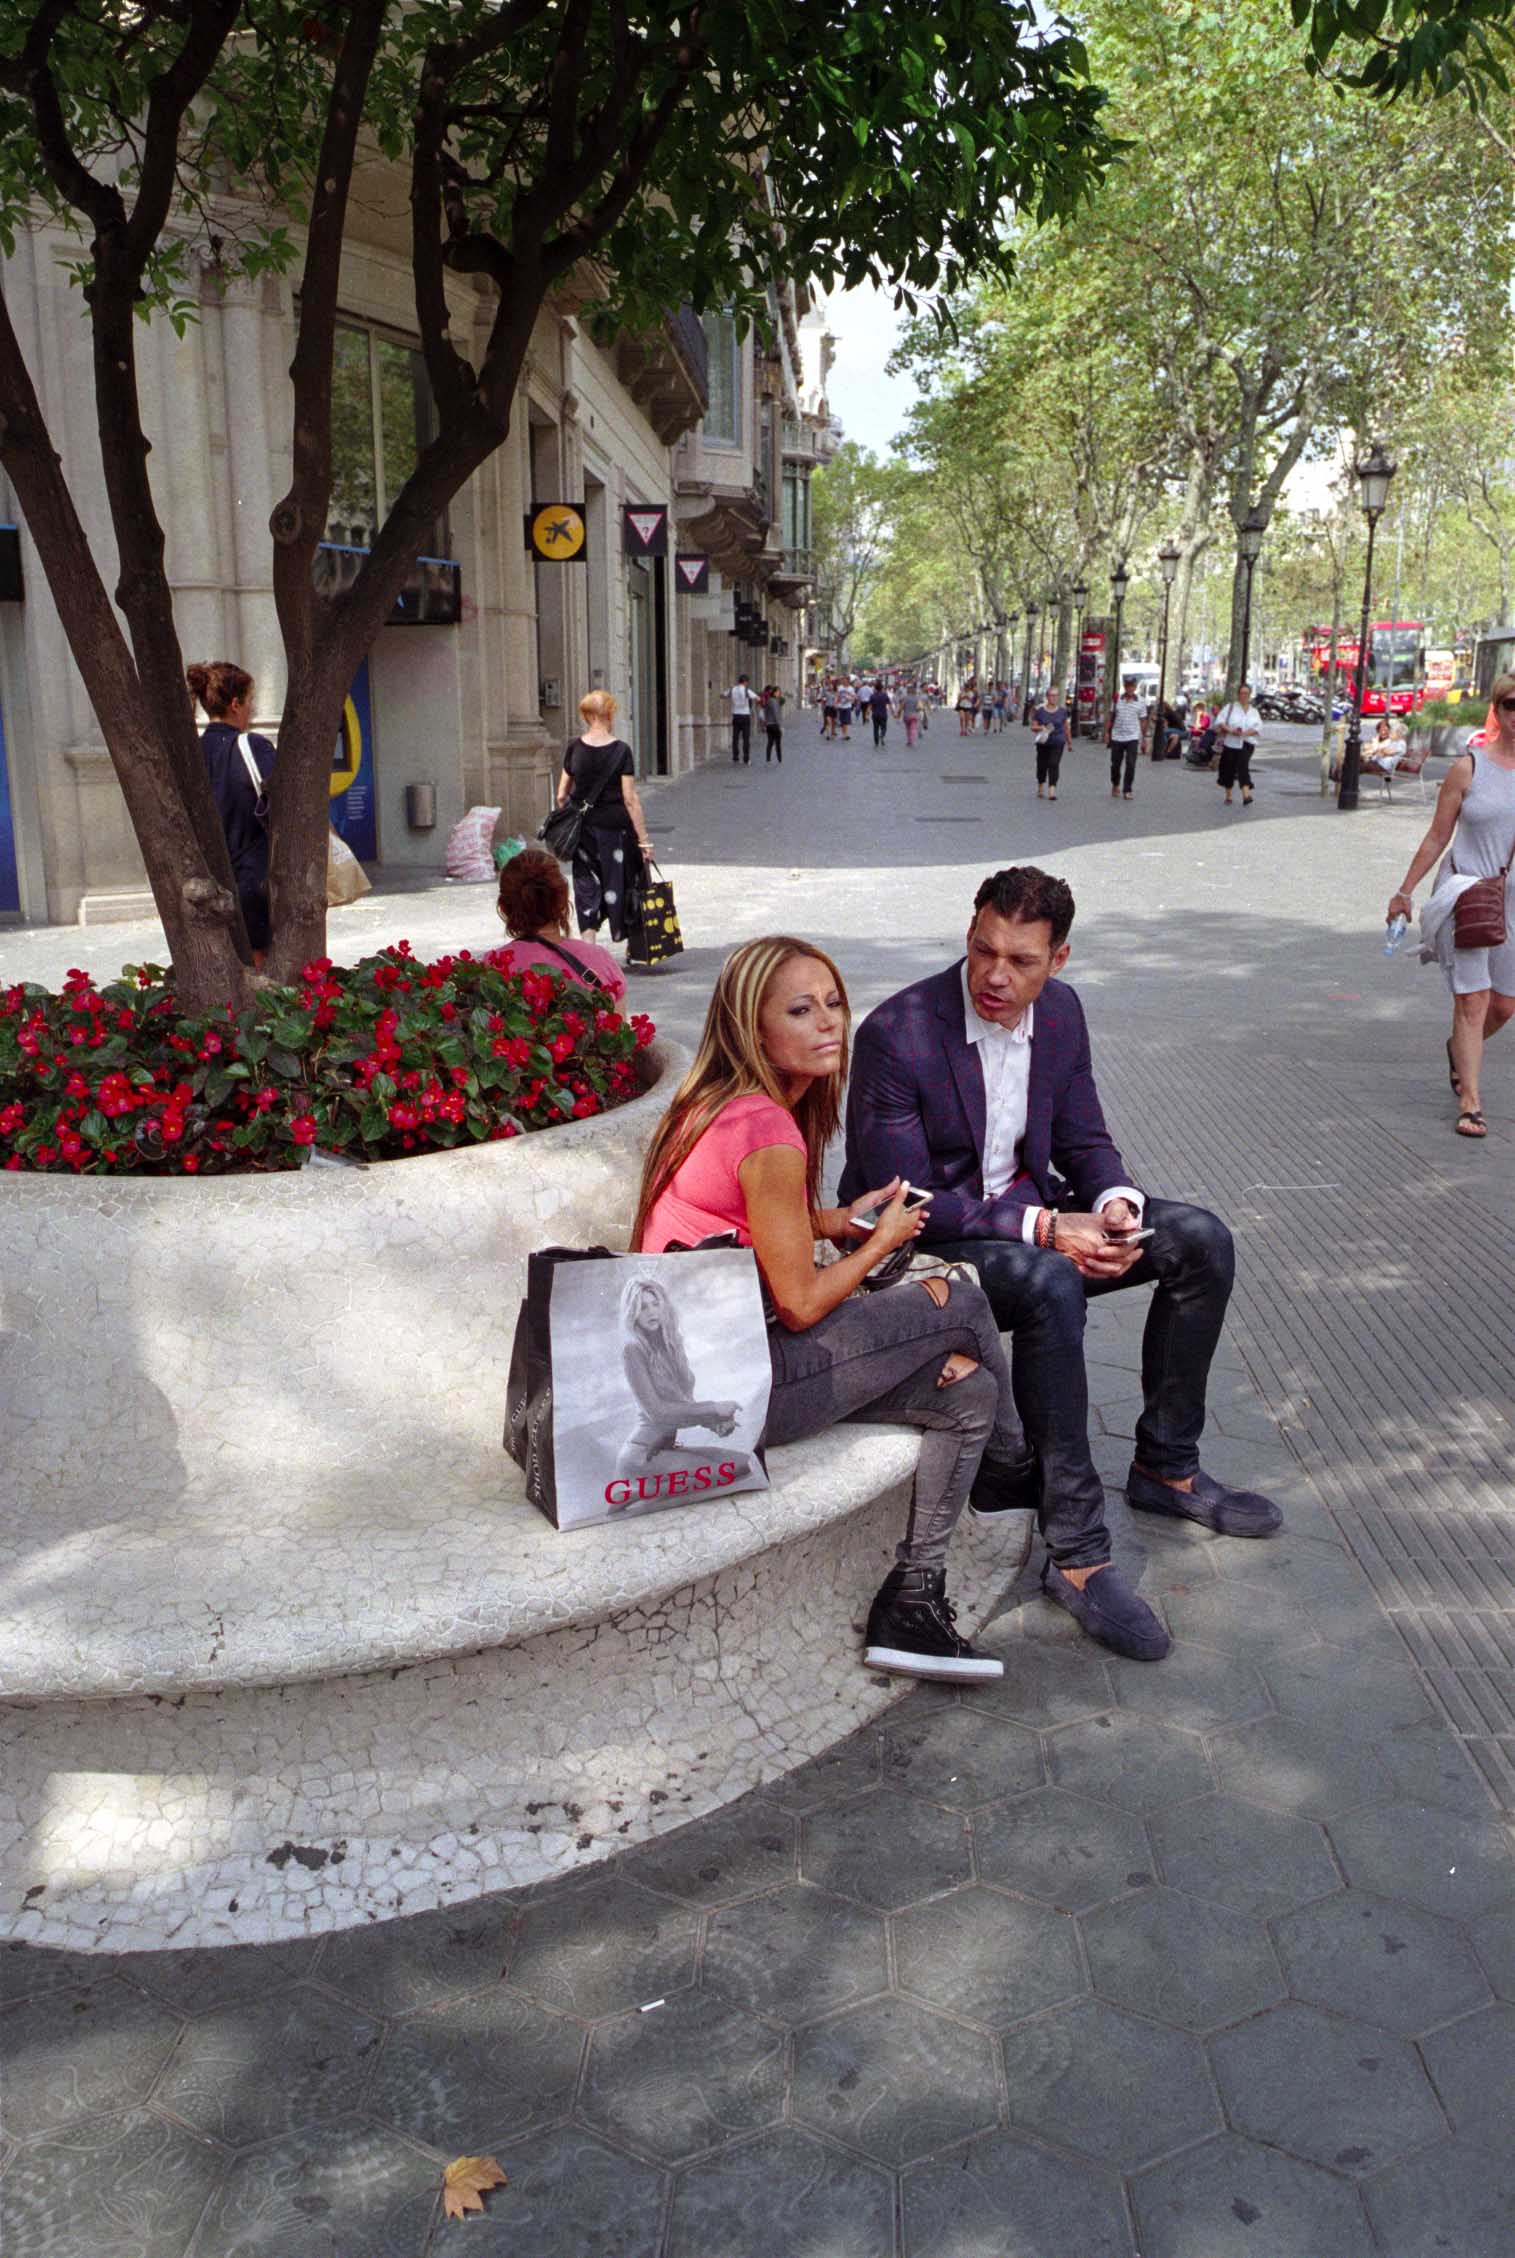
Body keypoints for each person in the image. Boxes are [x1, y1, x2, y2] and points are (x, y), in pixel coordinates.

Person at [840, 864, 1283, 1664]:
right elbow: (904, 1204)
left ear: (1060, 959)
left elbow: (1083, 1137)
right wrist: (1046, 1228)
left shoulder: (1064, 1015)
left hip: (1031, 1228)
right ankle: (1078, 1554)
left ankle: (1166, 1467)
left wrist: (1113, 1203)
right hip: (920, 1253)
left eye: (1021, 960)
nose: (995, 976)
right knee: (1048, 1282)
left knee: (1200, 1240)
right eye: (982, 951)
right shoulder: (897, 1033)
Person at [635, 935, 1037, 1681]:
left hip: (722, 1362)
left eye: (832, 1002)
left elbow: (748, 1222)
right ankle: (1014, 1468)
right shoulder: (765, 1130)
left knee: (968, 1388)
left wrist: (835, 1220)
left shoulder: (718, 1102)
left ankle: (912, 1604)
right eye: (799, 1009)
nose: (828, 1023)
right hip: (735, 1387)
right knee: (958, 1302)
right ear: (753, 1030)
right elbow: (799, 1304)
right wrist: (879, 1238)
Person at [1387, 671, 1515, 1141]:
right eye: (1511, 705)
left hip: (1511, 896)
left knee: (1503, 1005)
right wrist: (1404, 891)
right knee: (1473, 998)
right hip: (1467, 892)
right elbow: (1438, 836)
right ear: (1497, 711)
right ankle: (1471, 1101)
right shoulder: (1470, 768)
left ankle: (1459, 1051)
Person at [612, 1275, 745, 1494]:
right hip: (641, 1456)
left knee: (743, 1462)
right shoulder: (633, 1350)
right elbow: (658, 1412)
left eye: (655, 1304)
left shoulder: (671, 1345)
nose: (652, 1312)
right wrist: (713, 1407)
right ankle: (634, 1491)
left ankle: (649, 1489)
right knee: (732, 1469)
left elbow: (684, 1404)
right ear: (633, 1314)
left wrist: (714, 1422)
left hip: (666, 1451)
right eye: (642, 1307)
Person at [186, 660, 276, 959]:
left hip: (205, 889)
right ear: (235, 704)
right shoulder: (253, 747)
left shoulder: (190, 754)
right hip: (254, 884)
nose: (252, 710)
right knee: (261, 984)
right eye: (250, 702)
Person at [554, 690, 654, 946]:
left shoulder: (574, 748)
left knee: (586, 882)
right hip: (616, 830)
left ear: (586, 715)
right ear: (610, 714)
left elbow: (561, 795)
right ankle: (629, 937)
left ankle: (589, 943)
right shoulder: (621, 751)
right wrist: (644, 840)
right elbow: (630, 799)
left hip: (585, 830)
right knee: (621, 880)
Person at [488, 846, 627, 1001]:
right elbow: (618, 1023)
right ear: (562, 899)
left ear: (504, 907)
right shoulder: (600, 960)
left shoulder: (491, 970)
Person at [1213, 683, 1261, 806]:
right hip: (1231, 743)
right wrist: (1231, 730)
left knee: (1243, 766)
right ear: (1238, 694)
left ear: (1250, 695)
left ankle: (1246, 795)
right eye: (1241, 693)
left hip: (1247, 743)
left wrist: (1245, 733)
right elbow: (1220, 721)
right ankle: (1228, 794)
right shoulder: (1231, 707)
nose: (1243, 695)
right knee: (1229, 769)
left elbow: (1258, 728)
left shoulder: (1254, 711)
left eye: (1246, 693)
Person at [1107, 674, 1148, 800]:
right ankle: (1115, 784)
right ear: (1124, 687)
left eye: (1132, 686)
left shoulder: (1140, 701)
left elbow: (1143, 720)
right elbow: (1111, 717)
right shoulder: (1117, 700)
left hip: (1132, 736)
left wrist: (1144, 738)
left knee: (1131, 764)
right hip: (1117, 736)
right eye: (1127, 686)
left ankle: (1127, 789)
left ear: (1135, 687)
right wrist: (1106, 733)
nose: (1130, 688)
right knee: (1115, 764)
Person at [1031, 688, 1071, 800]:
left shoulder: (1062, 711)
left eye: (1055, 695)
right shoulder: (1040, 711)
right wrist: (1041, 727)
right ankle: (1040, 784)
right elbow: (1033, 727)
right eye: (1051, 695)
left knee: (1054, 764)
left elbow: (1066, 727)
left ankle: (1052, 790)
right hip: (1043, 742)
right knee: (1042, 765)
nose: (1053, 698)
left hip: (1058, 741)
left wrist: (1069, 742)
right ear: (1047, 697)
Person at [727, 675, 754, 765]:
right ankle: (746, 758)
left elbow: (722, 695)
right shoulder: (747, 690)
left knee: (735, 738)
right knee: (746, 738)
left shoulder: (733, 689)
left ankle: (735, 757)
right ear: (745, 682)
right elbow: (757, 698)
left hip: (736, 716)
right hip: (745, 716)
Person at [760, 683, 785, 764]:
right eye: (778, 692)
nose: (779, 693)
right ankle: (779, 759)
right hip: (774, 724)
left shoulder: (769, 700)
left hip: (769, 725)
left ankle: (768, 759)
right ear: (774, 692)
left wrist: (766, 723)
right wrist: (779, 725)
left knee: (770, 742)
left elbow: (766, 712)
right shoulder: (774, 701)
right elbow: (775, 713)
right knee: (778, 743)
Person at [899, 680, 923, 748]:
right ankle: (912, 740)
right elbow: (920, 707)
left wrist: (898, 713)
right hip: (915, 715)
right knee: (913, 728)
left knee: (908, 729)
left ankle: (909, 741)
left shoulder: (905, 698)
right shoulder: (917, 698)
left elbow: (902, 706)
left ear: (908, 691)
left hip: (907, 716)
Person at [869, 678, 891, 747]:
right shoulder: (885, 695)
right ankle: (882, 735)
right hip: (883, 714)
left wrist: (867, 714)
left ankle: (876, 742)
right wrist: (894, 713)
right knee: (884, 727)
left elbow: (870, 706)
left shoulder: (872, 696)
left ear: (875, 688)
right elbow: (889, 704)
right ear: (882, 688)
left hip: (875, 714)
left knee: (875, 728)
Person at [836, 678, 855, 742]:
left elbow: (853, 697)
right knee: (842, 721)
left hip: (848, 706)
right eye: (843, 681)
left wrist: (851, 699)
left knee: (846, 721)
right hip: (841, 706)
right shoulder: (840, 687)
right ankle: (843, 734)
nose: (844, 682)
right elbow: (838, 696)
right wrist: (836, 703)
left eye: (846, 681)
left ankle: (846, 735)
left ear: (848, 681)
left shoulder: (851, 688)